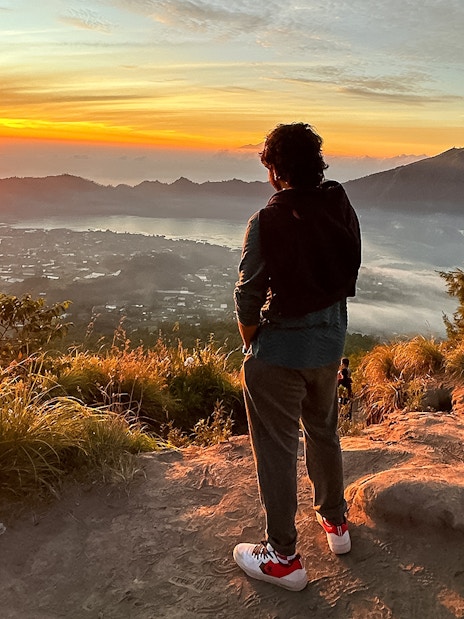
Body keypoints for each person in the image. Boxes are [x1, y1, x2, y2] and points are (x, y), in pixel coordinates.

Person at [232, 122, 361, 592]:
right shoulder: (338, 202)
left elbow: (247, 295)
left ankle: (283, 557)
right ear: (317, 161)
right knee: (323, 430)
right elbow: (347, 267)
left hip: (280, 354)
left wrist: (252, 340)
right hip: (330, 346)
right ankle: (336, 524)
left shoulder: (267, 220)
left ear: (273, 168)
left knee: (277, 448)